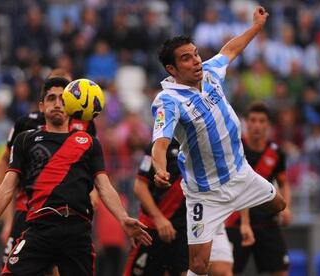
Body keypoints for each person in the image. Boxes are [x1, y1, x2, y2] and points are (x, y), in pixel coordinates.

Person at [0, 75, 152, 276]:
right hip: (39, 227)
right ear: (41, 105)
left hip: (77, 231)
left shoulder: (89, 142)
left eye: (63, 99)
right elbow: (7, 187)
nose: (57, 104)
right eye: (51, 98)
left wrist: (123, 218)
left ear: (71, 104)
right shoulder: (25, 140)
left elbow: (104, 186)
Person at [151, 6, 286, 276]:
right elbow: (160, 142)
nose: (197, 61)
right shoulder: (168, 100)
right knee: (199, 266)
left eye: (196, 54)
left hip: (241, 174)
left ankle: (239, 214)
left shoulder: (210, 73)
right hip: (206, 193)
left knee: (279, 205)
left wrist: (256, 27)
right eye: (187, 59)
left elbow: (230, 50)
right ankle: (229, 219)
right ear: (172, 68)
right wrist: (159, 168)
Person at [0, 72, 96, 270]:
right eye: (52, 96)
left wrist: (93, 192)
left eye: (65, 93)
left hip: (66, 213)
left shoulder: (85, 124)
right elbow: (4, 163)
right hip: (28, 207)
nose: (58, 101)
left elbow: (89, 165)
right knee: (10, 264)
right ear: (43, 100)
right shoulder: (25, 124)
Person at [124, 140, 233, 276]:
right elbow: (139, 187)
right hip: (152, 229)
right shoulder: (160, 145)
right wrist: (159, 219)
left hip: (185, 231)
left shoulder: (204, 146)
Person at [225, 102, 292, 276]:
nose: (257, 125)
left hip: (267, 222)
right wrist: (245, 222)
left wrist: (287, 208)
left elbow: (284, 183)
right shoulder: (236, 149)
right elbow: (238, 187)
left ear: (268, 125)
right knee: (226, 271)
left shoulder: (276, 153)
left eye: (262, 121)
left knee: (281, 270)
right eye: (253, 120)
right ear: (246, 123)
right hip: (237, 221)